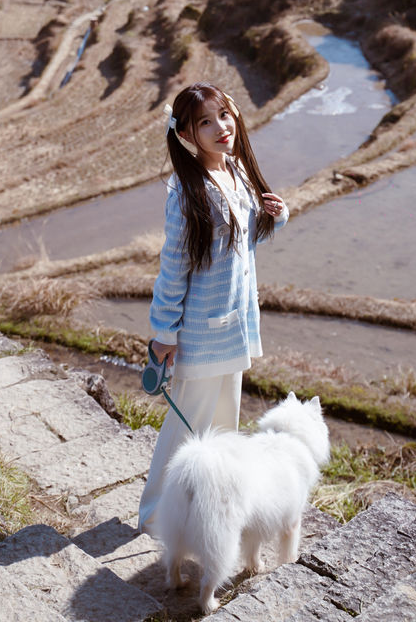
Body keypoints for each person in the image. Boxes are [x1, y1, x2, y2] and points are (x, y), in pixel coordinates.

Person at [138, 81, 289, 537]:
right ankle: (153, 519)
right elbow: (174, 265)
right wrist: (164, 332)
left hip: (235, 326)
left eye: (223, 114)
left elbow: (239, 244)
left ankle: (209, 511)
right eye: (205, 121)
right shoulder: (187, 192)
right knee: (186, 432)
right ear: (187, 134)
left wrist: (275, 218)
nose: (220, 126)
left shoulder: (238, 172)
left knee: (225, 426)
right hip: (201, 333)